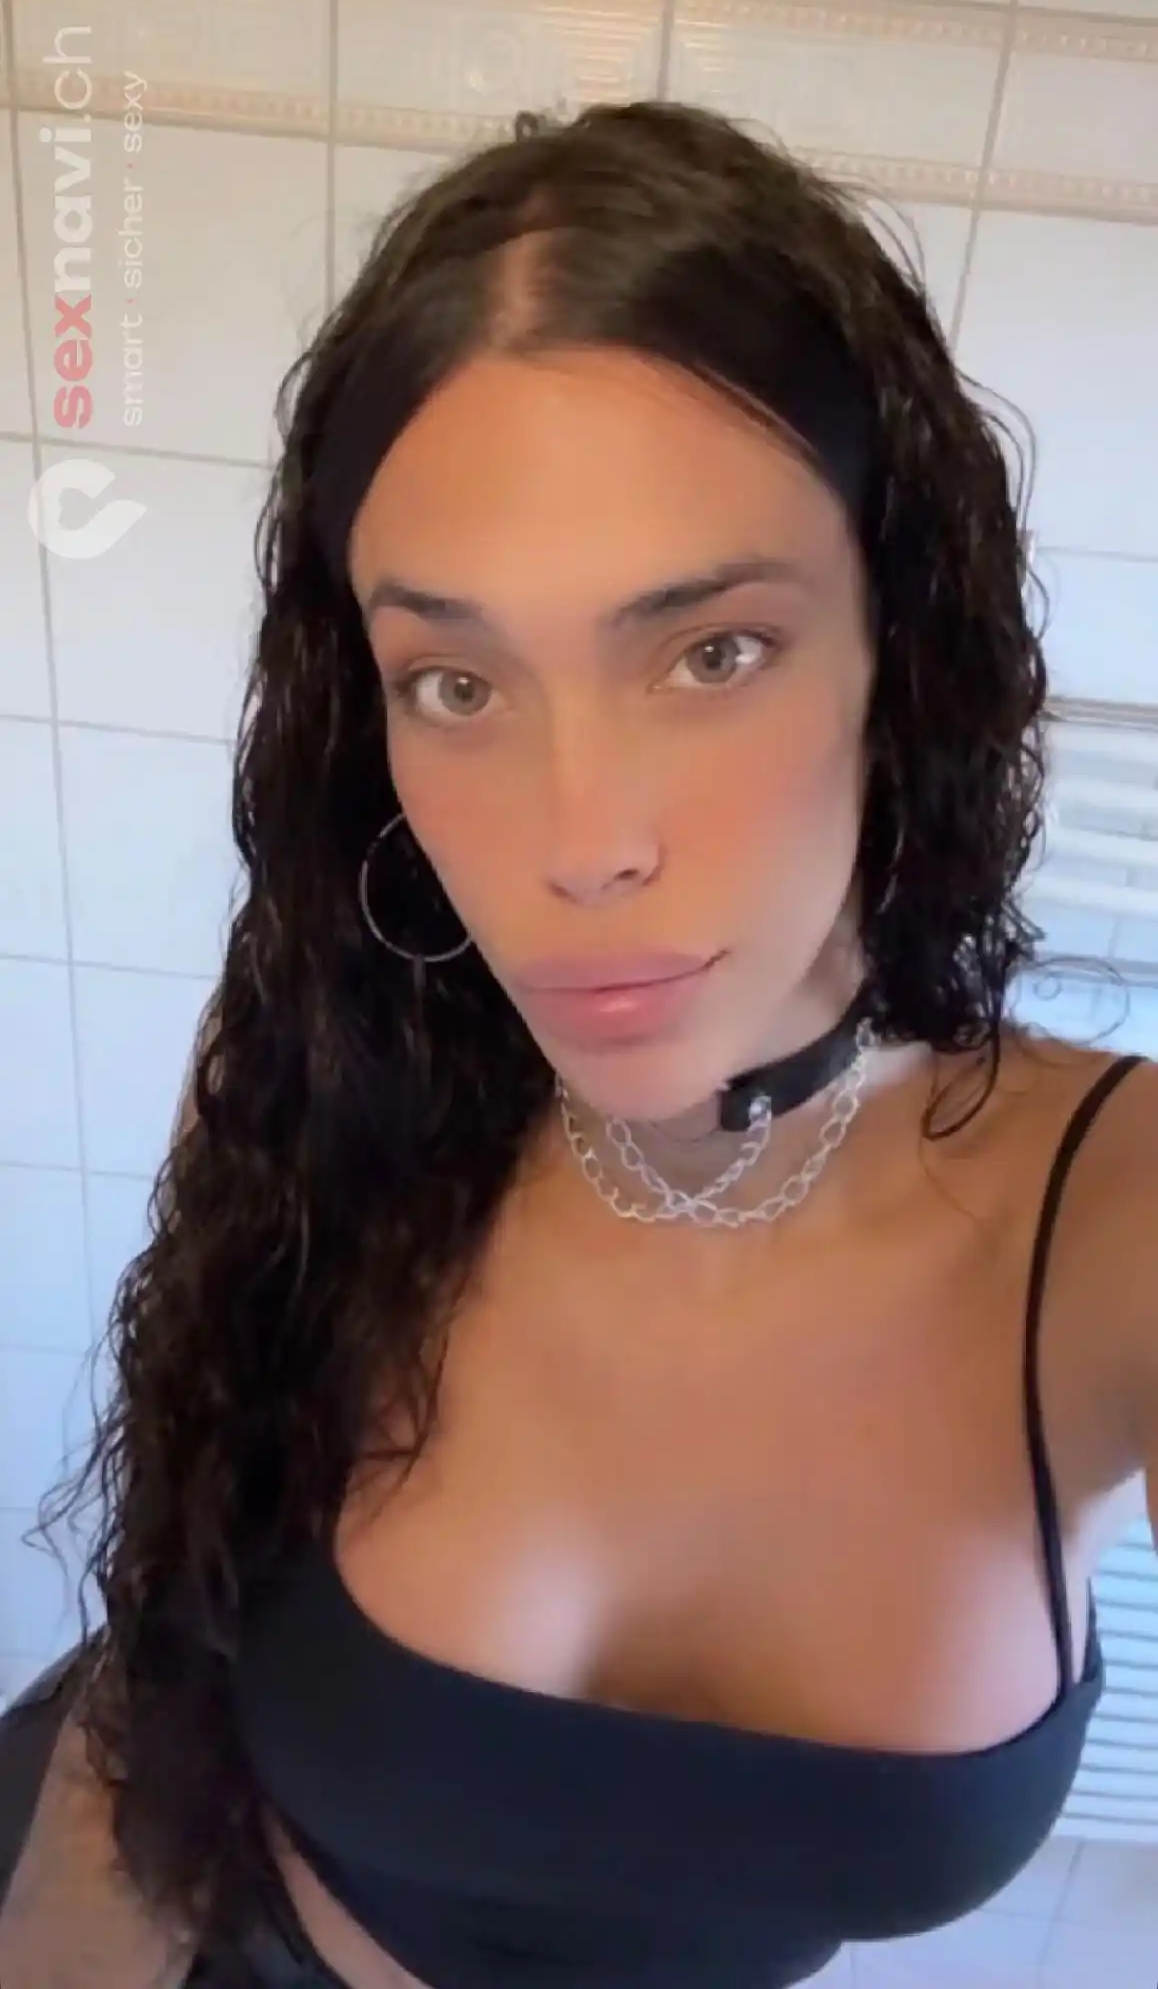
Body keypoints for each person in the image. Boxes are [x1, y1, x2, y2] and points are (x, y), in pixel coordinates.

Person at [0, 97, 1155, 1989]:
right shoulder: (335, 1071)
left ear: (897, 645)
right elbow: (154, 1676)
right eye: (455, 683)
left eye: (711, 653)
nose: (577, 846)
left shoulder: (1110, 1217)